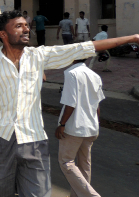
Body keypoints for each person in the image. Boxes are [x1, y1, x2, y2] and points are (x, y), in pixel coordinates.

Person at [0, 10, 139, 196]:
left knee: (39, 193)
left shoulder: (38, 56)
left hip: (34, 140)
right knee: (0, 193)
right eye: (19, 26)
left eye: (26, 26)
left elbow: (84, 47)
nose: (26, 29)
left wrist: (132, 38)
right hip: (0, 140)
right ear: (3, 34)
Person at [55, 59, 104, 197]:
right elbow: (97, 104)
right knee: (84, 165)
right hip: (91, 127)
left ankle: (91, 195)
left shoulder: (71, 73)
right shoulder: (95, 75)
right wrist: (97, 123)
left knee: (66, 162)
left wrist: (62, 124)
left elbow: (71, 103)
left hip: (74, 127)